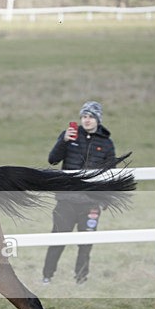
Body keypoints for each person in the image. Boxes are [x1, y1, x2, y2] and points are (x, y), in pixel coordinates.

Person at [42, 101, 116, 285]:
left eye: (90, 116)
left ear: (98, 119)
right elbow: (52, 160)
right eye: (84, 116)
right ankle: (47, 277)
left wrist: (105, 199)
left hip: (91, 203)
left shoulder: (106, 143)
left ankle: (81, 279)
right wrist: (64, 141)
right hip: (66, 201)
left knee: (86, 243)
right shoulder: (69, 137)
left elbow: (111, 173)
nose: (87, 120)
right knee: (58, 240)